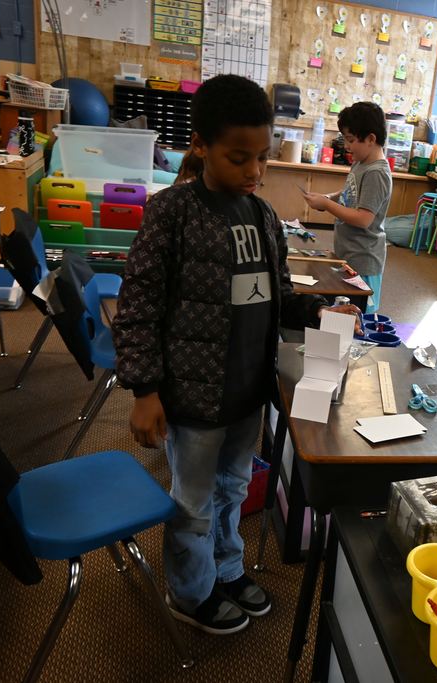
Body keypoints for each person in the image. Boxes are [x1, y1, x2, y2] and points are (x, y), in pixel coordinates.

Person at [111, 75, 360, 636]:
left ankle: (225, 570)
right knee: (194, 502)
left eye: (263, 157)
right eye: (239, 157)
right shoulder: (171, 212)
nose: (254, 171)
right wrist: (145, 390)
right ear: (201, 146)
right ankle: (190, 591)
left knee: (233, 490)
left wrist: (323, 313)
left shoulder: (263, 216)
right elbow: (137, 307)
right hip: (194, 398)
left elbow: (278, 296)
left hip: (248, 391)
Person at [301, 102, 392, 313]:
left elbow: (363, 219)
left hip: (364, 259)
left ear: (371, 139)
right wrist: (328, 197)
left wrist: (327, 204)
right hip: (349, 253)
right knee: (343, 310)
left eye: (351, 140)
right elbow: (351, 192)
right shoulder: (361, 163)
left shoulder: (376, 173)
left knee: (358, 313)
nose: (347, 146)